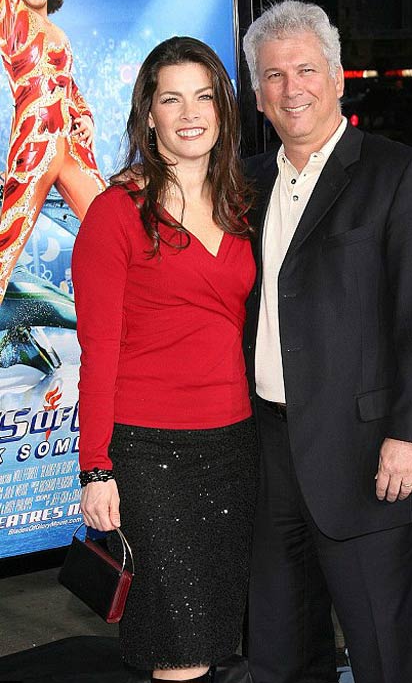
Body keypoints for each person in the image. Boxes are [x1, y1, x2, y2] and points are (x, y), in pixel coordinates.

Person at [242, 0, 412, 683]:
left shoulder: (398, 174)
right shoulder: (245, 184)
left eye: (306, 69)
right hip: (268, 457)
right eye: (274, 76)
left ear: (338, 77)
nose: (291, 87)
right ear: (257, 94)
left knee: (382, 654)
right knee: (279, 654)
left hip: (366, 457)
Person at [71, 36, 258, 682]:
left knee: (212, 632)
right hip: (150, 454)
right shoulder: (115, 213)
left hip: (234, 446)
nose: (189, 112)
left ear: (224, 109)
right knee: (178, 642)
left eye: (203, 96)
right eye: (170, 98)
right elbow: (99, 351)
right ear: (148, 114)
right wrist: (96, 468)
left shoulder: (243, 207)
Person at [0, 0, 106, 303]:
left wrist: (86, 117)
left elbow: (68, 86)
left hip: (69, 145)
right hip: (34, 143)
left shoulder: (59, 33)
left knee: (114, 223)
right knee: (7, 245)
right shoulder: (12, 18)